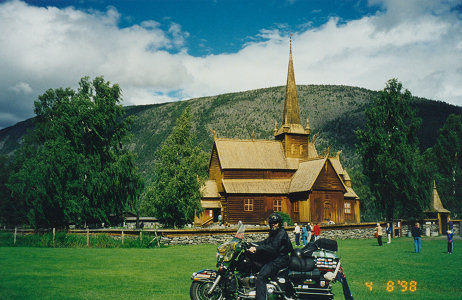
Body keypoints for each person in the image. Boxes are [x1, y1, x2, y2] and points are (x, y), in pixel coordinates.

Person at [249, 213, 293, 300]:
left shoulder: (281, 233)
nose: (273, 224)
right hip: (275, 258)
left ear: (279, 223)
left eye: (275, 222)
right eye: (272, 223)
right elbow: (265, 243)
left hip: (280, 259)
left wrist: (256, 249)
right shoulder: (274, 233)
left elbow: (273, 248)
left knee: (261, 277)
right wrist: (251, 244)